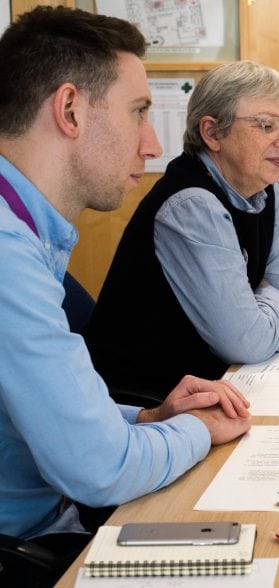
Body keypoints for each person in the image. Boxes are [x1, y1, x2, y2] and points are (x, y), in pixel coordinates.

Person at [0, 5, 251, 547]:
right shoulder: (7, 254)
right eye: (139, 112)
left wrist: (148, 419)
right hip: (26, 556)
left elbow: (38, 407)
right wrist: (196, 428)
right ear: (70, 110)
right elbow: (101, 468)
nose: (152, 144)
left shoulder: (25, 231)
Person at [85, 60, 279, 398]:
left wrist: (262, 308)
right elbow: (247, 343)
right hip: (145, 399)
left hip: (212, 384)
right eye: (266, 126)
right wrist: (271, 301)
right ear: (212, 133)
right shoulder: (192, 204)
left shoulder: (267, 189)